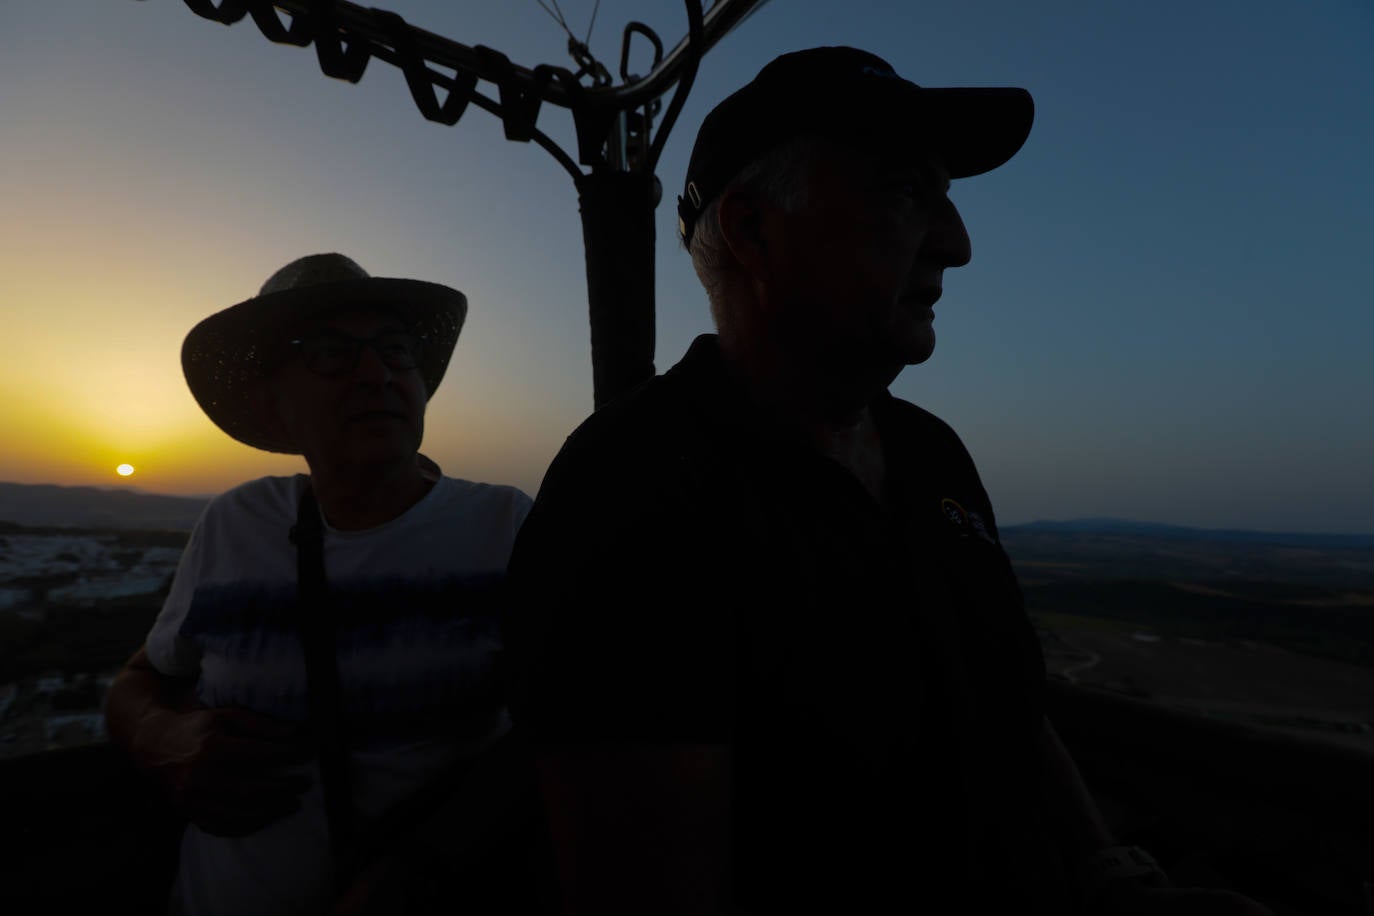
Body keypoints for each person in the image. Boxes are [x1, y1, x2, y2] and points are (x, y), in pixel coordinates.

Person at [503, 48, 1275, 914]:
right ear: (755, 231)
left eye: (946, 196)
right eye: (907, 192)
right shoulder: (631, 492)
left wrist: (1109, 876)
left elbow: (1005, 698)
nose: (958, 241)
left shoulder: (931, 453)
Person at [105, 253, 535, 915]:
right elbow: (142, 678)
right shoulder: (234, 523)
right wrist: (159, 738)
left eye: (395, 350)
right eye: (330, 354)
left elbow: (576, 727)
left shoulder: (507, 526)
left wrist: (428, 863)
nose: (377, 374)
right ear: (272, 406)